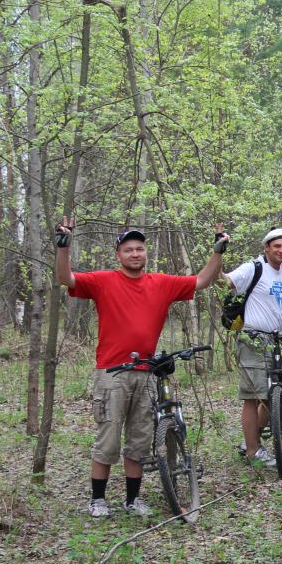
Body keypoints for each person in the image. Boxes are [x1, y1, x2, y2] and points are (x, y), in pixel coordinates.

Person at [56, 218, 228, 517]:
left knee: (139, 440)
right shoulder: (103, 280)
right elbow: (66, 278)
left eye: (139, 249)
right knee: (108, 438)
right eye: (128, 250)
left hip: (146, 372)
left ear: (145, 253)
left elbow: (202, 281)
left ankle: (132, 500)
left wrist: (218, 251)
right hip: (112, 372)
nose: (135, 254)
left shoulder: (161, 283)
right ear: (118, 256)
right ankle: (98, 500)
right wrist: (64, 247)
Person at [226, 228, 282, 466]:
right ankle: (253, 450)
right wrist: (218, 254)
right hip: (253, 339)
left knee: (272, 394)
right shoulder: (253, 268)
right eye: (277, 246)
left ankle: (250, 440)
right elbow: (226, 281)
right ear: (266, 247)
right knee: (253, 397)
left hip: (276, 340)